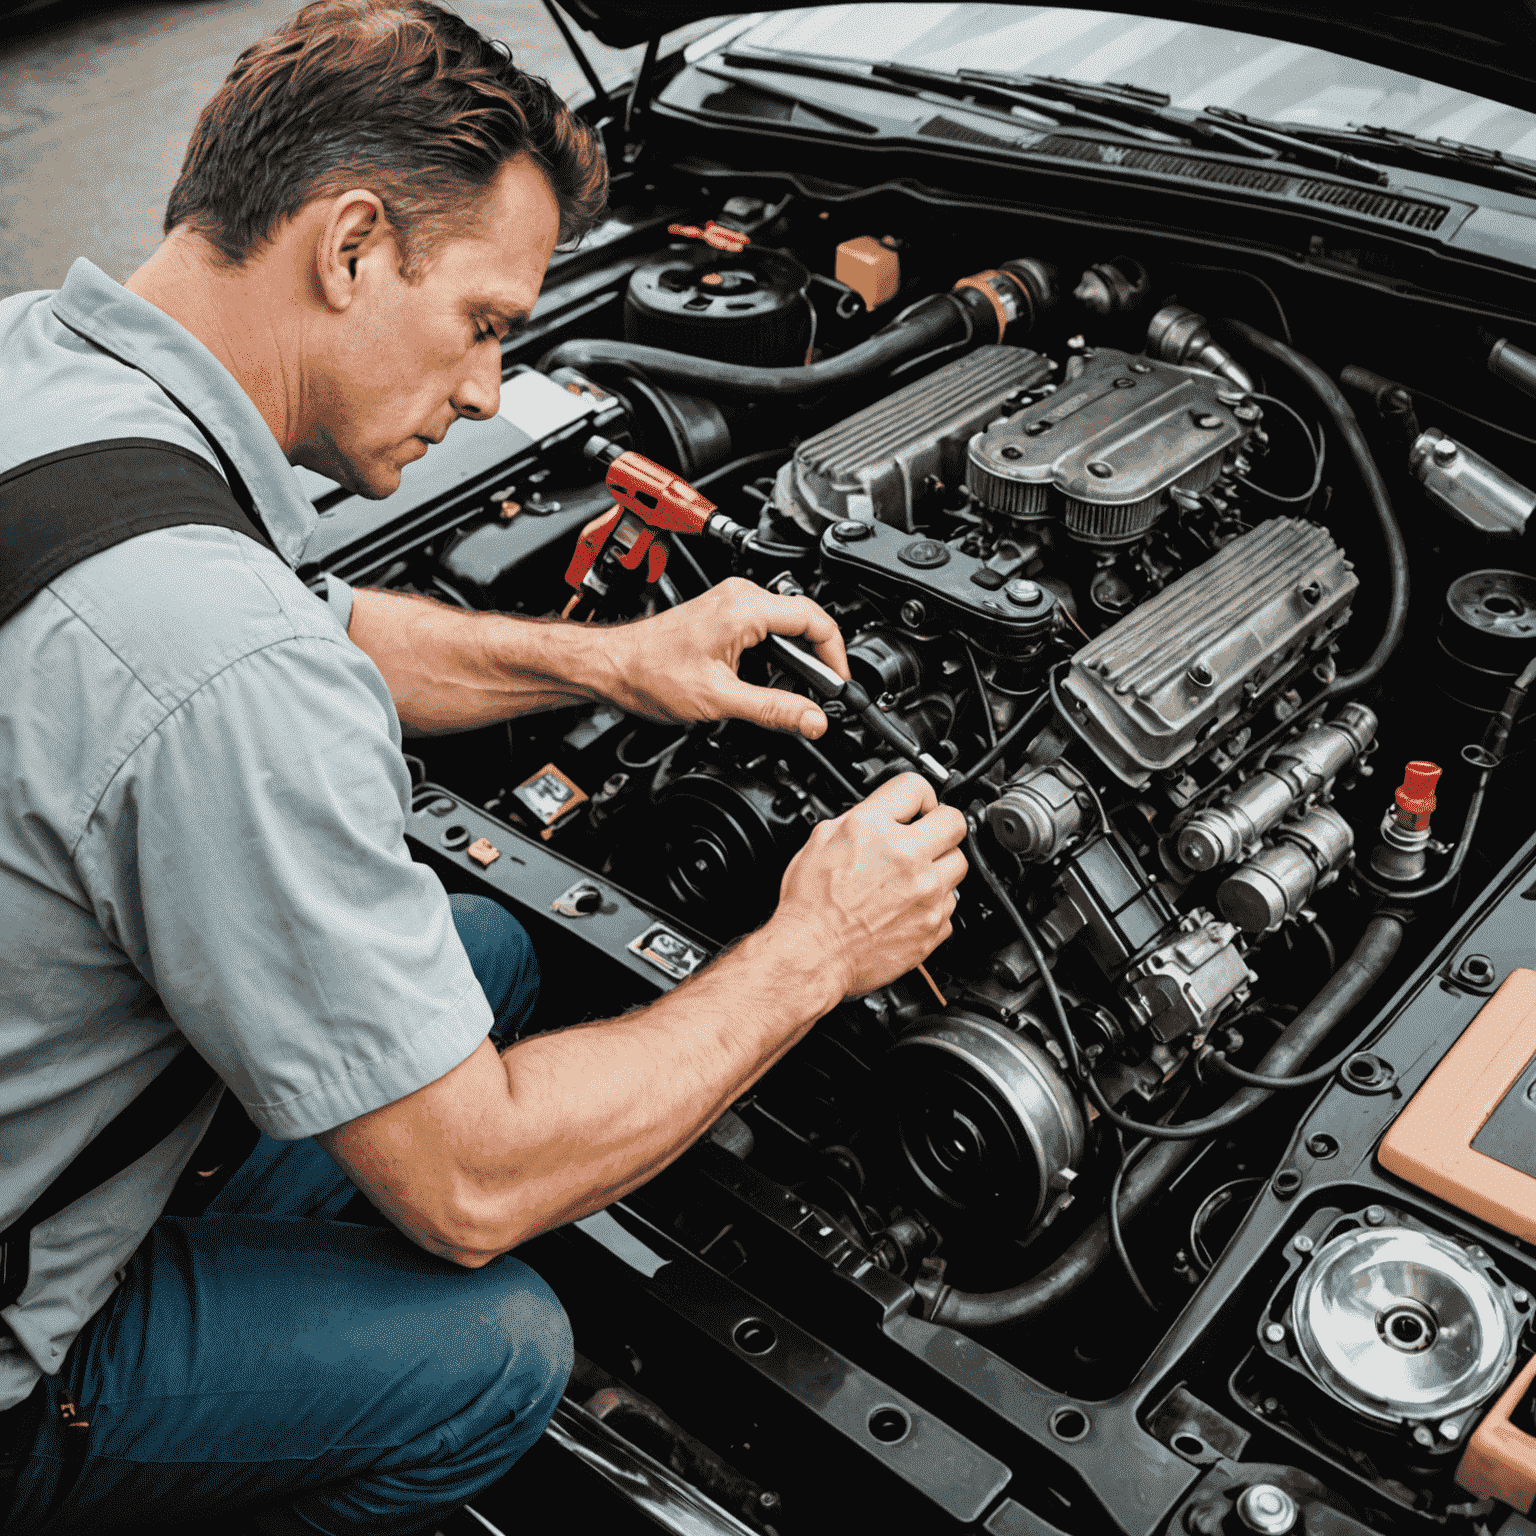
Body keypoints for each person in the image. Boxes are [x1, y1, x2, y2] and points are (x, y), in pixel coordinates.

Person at [0, 3, 967, 1531]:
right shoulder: (221, 669)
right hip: (13, 1336)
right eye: (487, 322)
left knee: (488, 947)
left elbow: (305, 628)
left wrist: (609, 661)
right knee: (497, 1345)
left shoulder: (43, 373)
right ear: (352, 246)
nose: (489, 392)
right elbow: (479, 1190)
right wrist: (815, 953)